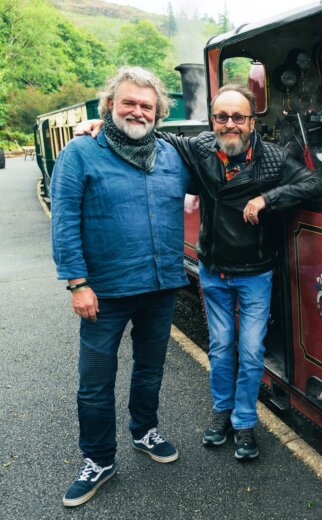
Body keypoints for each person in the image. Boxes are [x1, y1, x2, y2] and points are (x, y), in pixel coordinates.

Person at [78, 84, 322, 461]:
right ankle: (222, 411)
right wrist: (103, 124)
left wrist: (267, 199)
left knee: (252, 351)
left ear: (251, 121)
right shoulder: (200, 148)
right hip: (213, 271)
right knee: (222, 347)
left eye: (238, 117)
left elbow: (314, 183)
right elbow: (151, 131)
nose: (230, 124)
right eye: (221, 117)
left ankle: (244, 423)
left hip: (254, 273)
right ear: (212, 121)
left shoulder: (273, 159)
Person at [52, 66, 190, 507]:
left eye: (146, 105)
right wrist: (77, 283)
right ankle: (98, 459)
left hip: (160, 284)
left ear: (158, 113)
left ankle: (144, 431)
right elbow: (64, 220)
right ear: (109, 104)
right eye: (128, 102)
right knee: (95, 382)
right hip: (104, 291)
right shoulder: (80, 153)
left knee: (150, 369)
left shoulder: (172, 154)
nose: (137, 111)